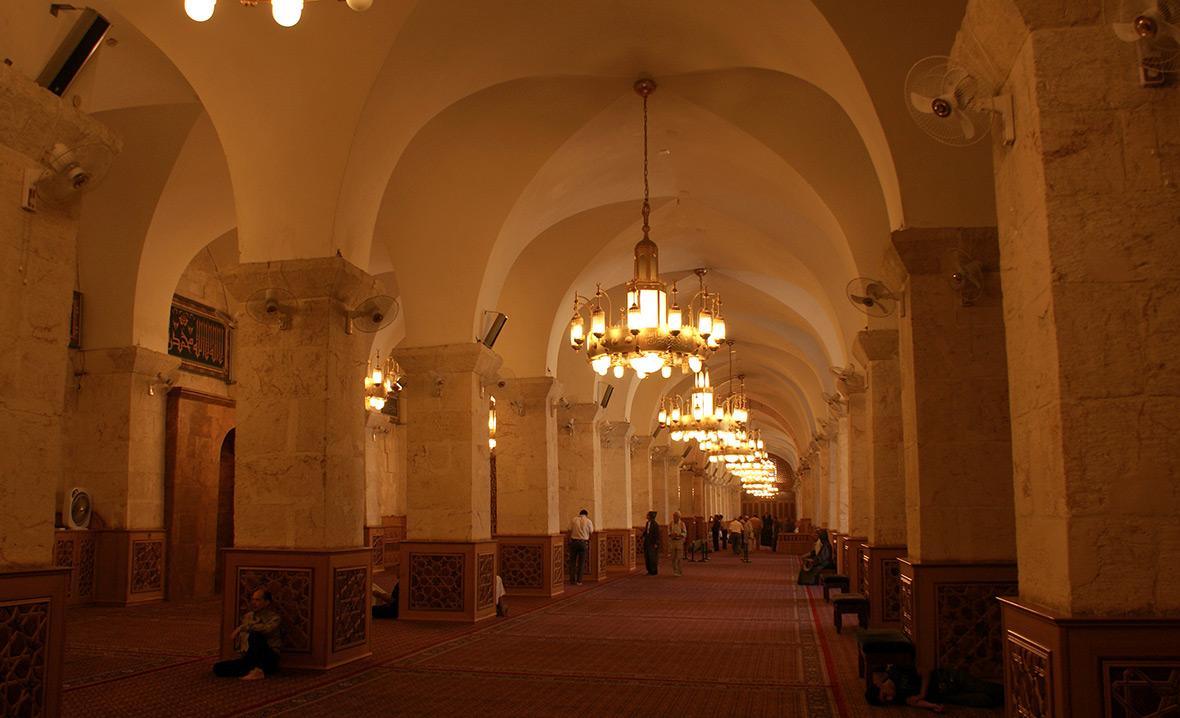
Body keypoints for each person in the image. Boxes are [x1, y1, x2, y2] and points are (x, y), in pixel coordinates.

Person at [866, 664, 1004, 710]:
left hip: (950, 678)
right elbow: (915, 702)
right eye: (886, 700)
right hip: (946, 696)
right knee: (985, 701)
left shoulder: (896, 671)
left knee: (988, 689)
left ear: (880, 685)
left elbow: (926, 671)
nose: (889, 698)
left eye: (885, 695)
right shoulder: (896, 698)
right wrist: (931, 706)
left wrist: (922, 694)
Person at [213, 588, 281, 680]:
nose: (253, 603)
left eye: (257, 600)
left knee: (255, 636)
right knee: (218, 668)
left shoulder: (274, 618)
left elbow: (267, 630)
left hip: (268, 658)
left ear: (266, 603)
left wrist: (243, 627)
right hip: (251, 657)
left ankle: (258, 670)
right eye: (252, 600)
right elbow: (243, 640)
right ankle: (252, 670)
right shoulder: (248, 617)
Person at [568, 509, 593, 585]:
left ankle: (571, 579)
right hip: (583, 542)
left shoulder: (574, 520)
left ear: (579, 514)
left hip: (574, 541)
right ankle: (579, 580)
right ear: (586, 515)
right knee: (581, 562)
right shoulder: (588, 521)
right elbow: (591, 532)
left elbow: (569, 530)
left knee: (572, 561)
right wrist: (589, 540)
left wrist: (568, 540)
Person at [668, 510, 687, 576]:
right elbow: (668, 532)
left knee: (679, 558)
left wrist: (679, 534)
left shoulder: (682, 524)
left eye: (675, 516)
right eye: (674, 516)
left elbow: (684, 533)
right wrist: (671, 534)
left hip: (679, 541)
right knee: (673, 558)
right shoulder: (670, 524)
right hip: (672, 541)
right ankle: (675, 571)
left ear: (679, 517)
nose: (674, 517)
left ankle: (679, 571)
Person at [642, 510, 661, 574]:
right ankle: (649, 570)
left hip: (652, 543)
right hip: (647, 542)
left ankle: (654, 570)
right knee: (647, 557)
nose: (646, 516)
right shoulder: (647, 523)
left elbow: (657, 535)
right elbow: (646, 532)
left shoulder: (655, 524)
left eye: (647, 515)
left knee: (652, 557)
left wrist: (656, 543)